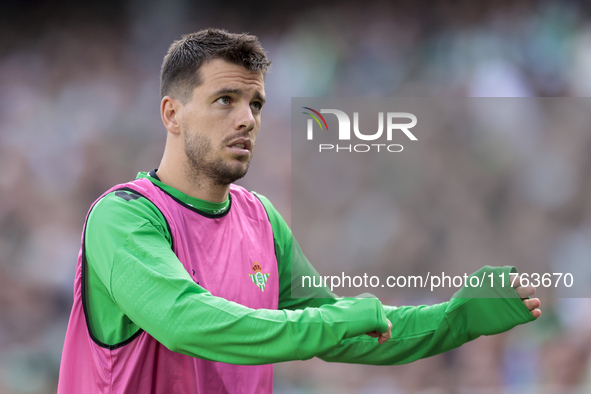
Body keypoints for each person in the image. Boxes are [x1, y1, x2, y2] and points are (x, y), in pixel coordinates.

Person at [57, 28, 541, 393]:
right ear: (171, 114)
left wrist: (455, 318)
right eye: (225, 100)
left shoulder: (262, 221)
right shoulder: (123, 217)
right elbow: (184, 321)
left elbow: (349, 332)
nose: (247, 118)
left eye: (256, 103)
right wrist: (332, 323)